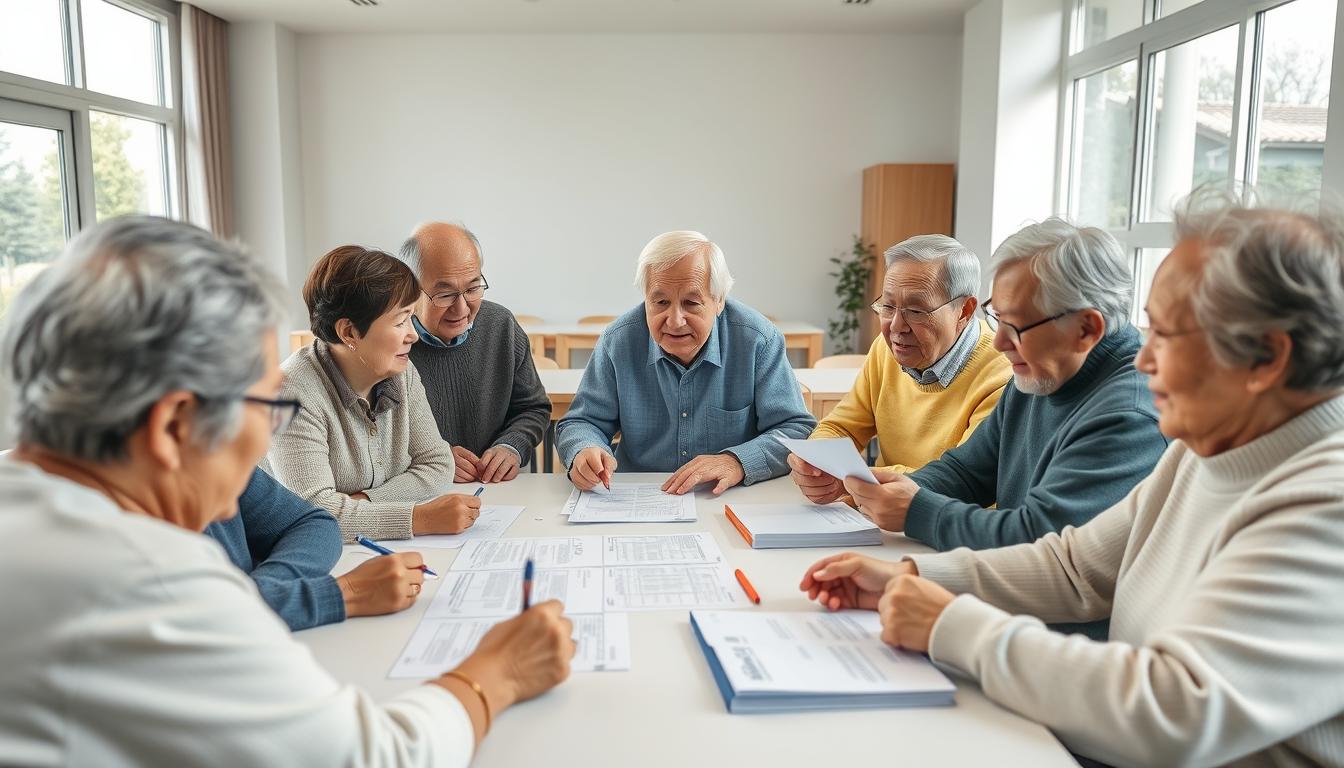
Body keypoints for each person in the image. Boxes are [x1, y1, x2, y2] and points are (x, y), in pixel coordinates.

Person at [0, 216, 574, 766]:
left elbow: (316, 518)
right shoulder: (151, 587)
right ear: (173, 428)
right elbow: (377, 756)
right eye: (264, 404)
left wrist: (259, 596)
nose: (267, 436)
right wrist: (497, 672)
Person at [801, 198, 1344, 767]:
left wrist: (951, 624)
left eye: (1166, 335)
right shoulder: (1205, 451)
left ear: (1266, 359)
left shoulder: (1322, 506)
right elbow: (1074, 565)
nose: (1142, 360)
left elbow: (1176, 710)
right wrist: (907, 576)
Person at [827, 219, 1167, 555]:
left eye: (1017, 325)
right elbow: (968, 471)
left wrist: (916, 510)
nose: (1000, 342)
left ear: (1085, 329)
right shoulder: (1042, 370)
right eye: (998, 318)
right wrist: (907, 488)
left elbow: (1041, 541)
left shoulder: (1129, 415)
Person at [555, 230, 816, 495]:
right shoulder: (618, 341)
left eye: (691, 303)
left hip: (727, 496)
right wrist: (584, 449)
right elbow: (582, 422)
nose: (675, 320)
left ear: (719, 300)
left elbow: (796, 429)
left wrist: (736, 461)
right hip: (640, 496)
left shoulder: (757, 340)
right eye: (660, 302)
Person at [267, 245, 480, 541]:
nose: (413, 335)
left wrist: (362, 504)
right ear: (349, 333)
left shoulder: (401, 373)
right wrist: (420, 518)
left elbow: (439, 464)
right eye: (400, 321)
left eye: (410, 317)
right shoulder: (289, 393)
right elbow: (313, 513)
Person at [790, 235, 1010, 503]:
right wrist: (816, 461)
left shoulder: (1002, 377)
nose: (896, 326)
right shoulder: (887, 350)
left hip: (946, 525)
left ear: (964, 310)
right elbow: (842, 427)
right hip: (878, 513)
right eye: (888, 306)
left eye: (916, 311)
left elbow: (961, 480)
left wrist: (852, 478)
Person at [397, 223, 550, 483]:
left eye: (472, 288)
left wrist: (511, 446)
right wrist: (431, 458)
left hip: (496, 488)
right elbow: (372, 437)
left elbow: (533, 408)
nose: (461, 308)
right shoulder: (390, 341)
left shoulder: (501, 325)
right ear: (411, 290)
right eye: (445, 294)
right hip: (421, 491)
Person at [206, 467, 427, 630]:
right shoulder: (214, 455)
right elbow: (210, 620)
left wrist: (266, 592)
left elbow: (318, 524)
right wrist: (345, 592)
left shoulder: (217, 463)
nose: (265, 445)